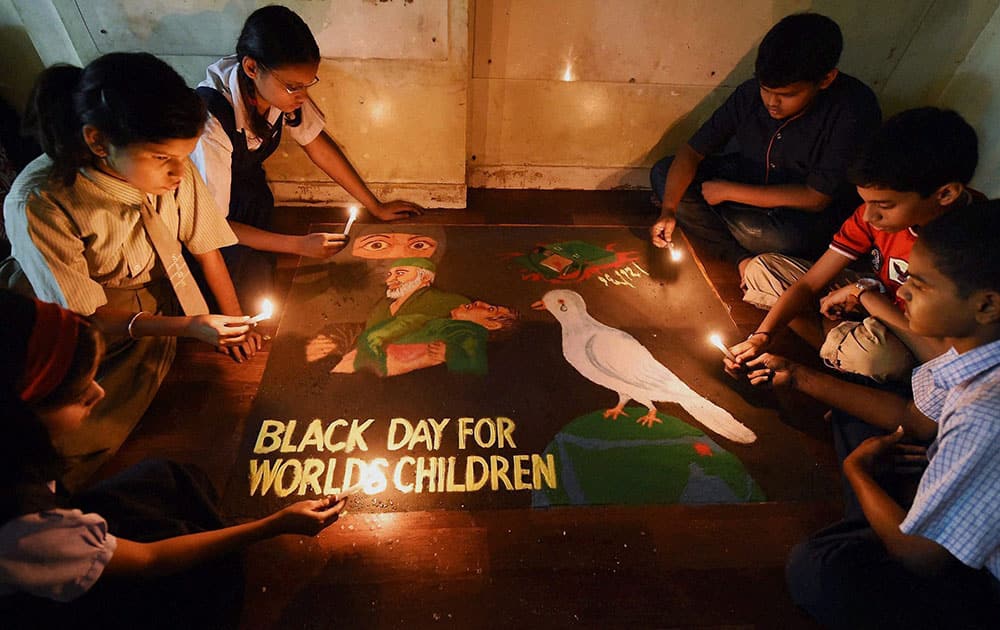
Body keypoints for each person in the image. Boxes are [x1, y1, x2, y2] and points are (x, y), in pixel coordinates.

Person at [0, 290, 347, 629]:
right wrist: (276, 524)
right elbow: (151, 560)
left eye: (93, 378)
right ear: (23, 417)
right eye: (79, 395)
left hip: (62, 535)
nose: (100, 393)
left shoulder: (18, 452)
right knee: (208, 580)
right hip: (55, 602)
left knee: (167, 479)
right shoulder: (26, 529)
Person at [3, 52, 261, 488]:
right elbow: (86, 314)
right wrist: (190, 326)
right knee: (78, 412)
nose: (180, 172)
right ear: (99, 142)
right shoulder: (42, 201)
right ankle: (42, 493)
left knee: (251, 277)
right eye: (162, 158)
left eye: (186, 155)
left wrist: (233, 320)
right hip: (73, 312)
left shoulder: (174, 168)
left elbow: (206, 248)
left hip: (157, 278)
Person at [737, 203, 1000, 628]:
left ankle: (880, 514)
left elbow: (921, 556)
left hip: (980, 582)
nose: (905, 292)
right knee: (855, 416)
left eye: (920, 284)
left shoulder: (986, 409)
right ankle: (887, 508)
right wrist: (798, 377)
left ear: (986, 305)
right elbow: (913, 419)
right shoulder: (965, 353)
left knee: (820, 568)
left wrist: (857, 471)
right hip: (946, 492)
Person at [192, 4, 423, 309]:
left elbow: (317, 145)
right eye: (293, 86)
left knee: (262, 275)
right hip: (208, 217)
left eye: (308, 84)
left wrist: (375, 206)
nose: (302, 95)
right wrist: (298, 245)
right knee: (239, 301)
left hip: (249, 195)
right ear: (251, 68)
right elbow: (213, 226)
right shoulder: (212, 121)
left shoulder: (281, 93)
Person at [732, 108, 981, 383]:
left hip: (916, 336)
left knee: (874, 356)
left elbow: (942, 353)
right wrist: (760, 337)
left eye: (884, 206)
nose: (868, 217)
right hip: (877, 299)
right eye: (866, 202)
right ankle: (840, 345)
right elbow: (809, 283)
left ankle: (843, 355)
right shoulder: (878, 213)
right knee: (763, 269)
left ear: (945, 194)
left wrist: (864, 294)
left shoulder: (970, 247)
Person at [649, 12, 880, 274]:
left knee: (779, 239)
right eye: (765, 89)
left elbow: (816, 197)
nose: (771, 102)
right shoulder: (750, 94)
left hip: (800, 213)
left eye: (787, 95)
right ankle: (738, 252)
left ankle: (720, 233)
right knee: (664, 172)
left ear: (826, 79)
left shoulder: (853, 109)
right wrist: (668, 209)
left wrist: (727, 192)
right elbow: (692, 152)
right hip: (750, 179)